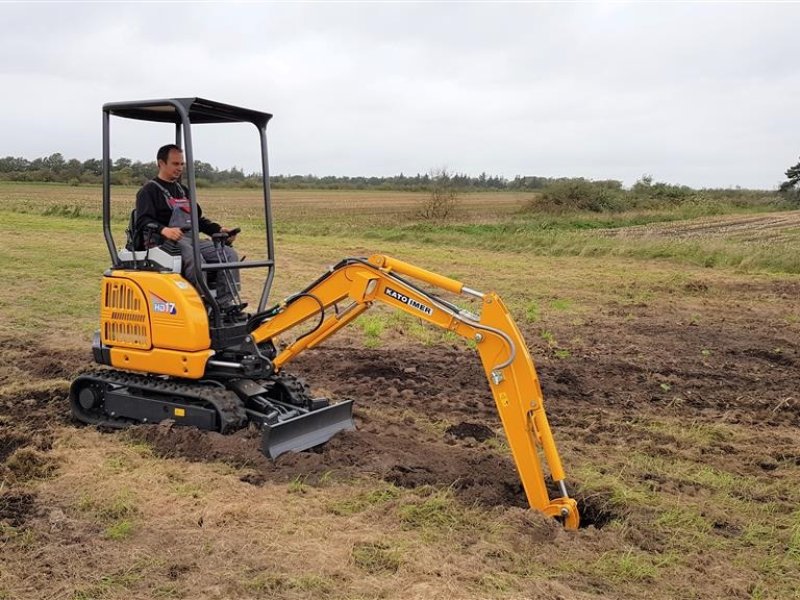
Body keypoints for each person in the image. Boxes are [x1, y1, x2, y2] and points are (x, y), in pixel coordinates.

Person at [135, 144, 241, 307]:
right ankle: (200, 303)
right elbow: (142, 221)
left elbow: (197, 219)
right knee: (196, 258)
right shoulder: (148, 191)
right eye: (175, 164)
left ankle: (224, 304)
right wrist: (165, 230)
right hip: (163, 243)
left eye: (182, 164)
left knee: (228, 254)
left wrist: (218, 230)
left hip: (190, 239)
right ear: (161, 163)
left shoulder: (183, 190)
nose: (180, 168)